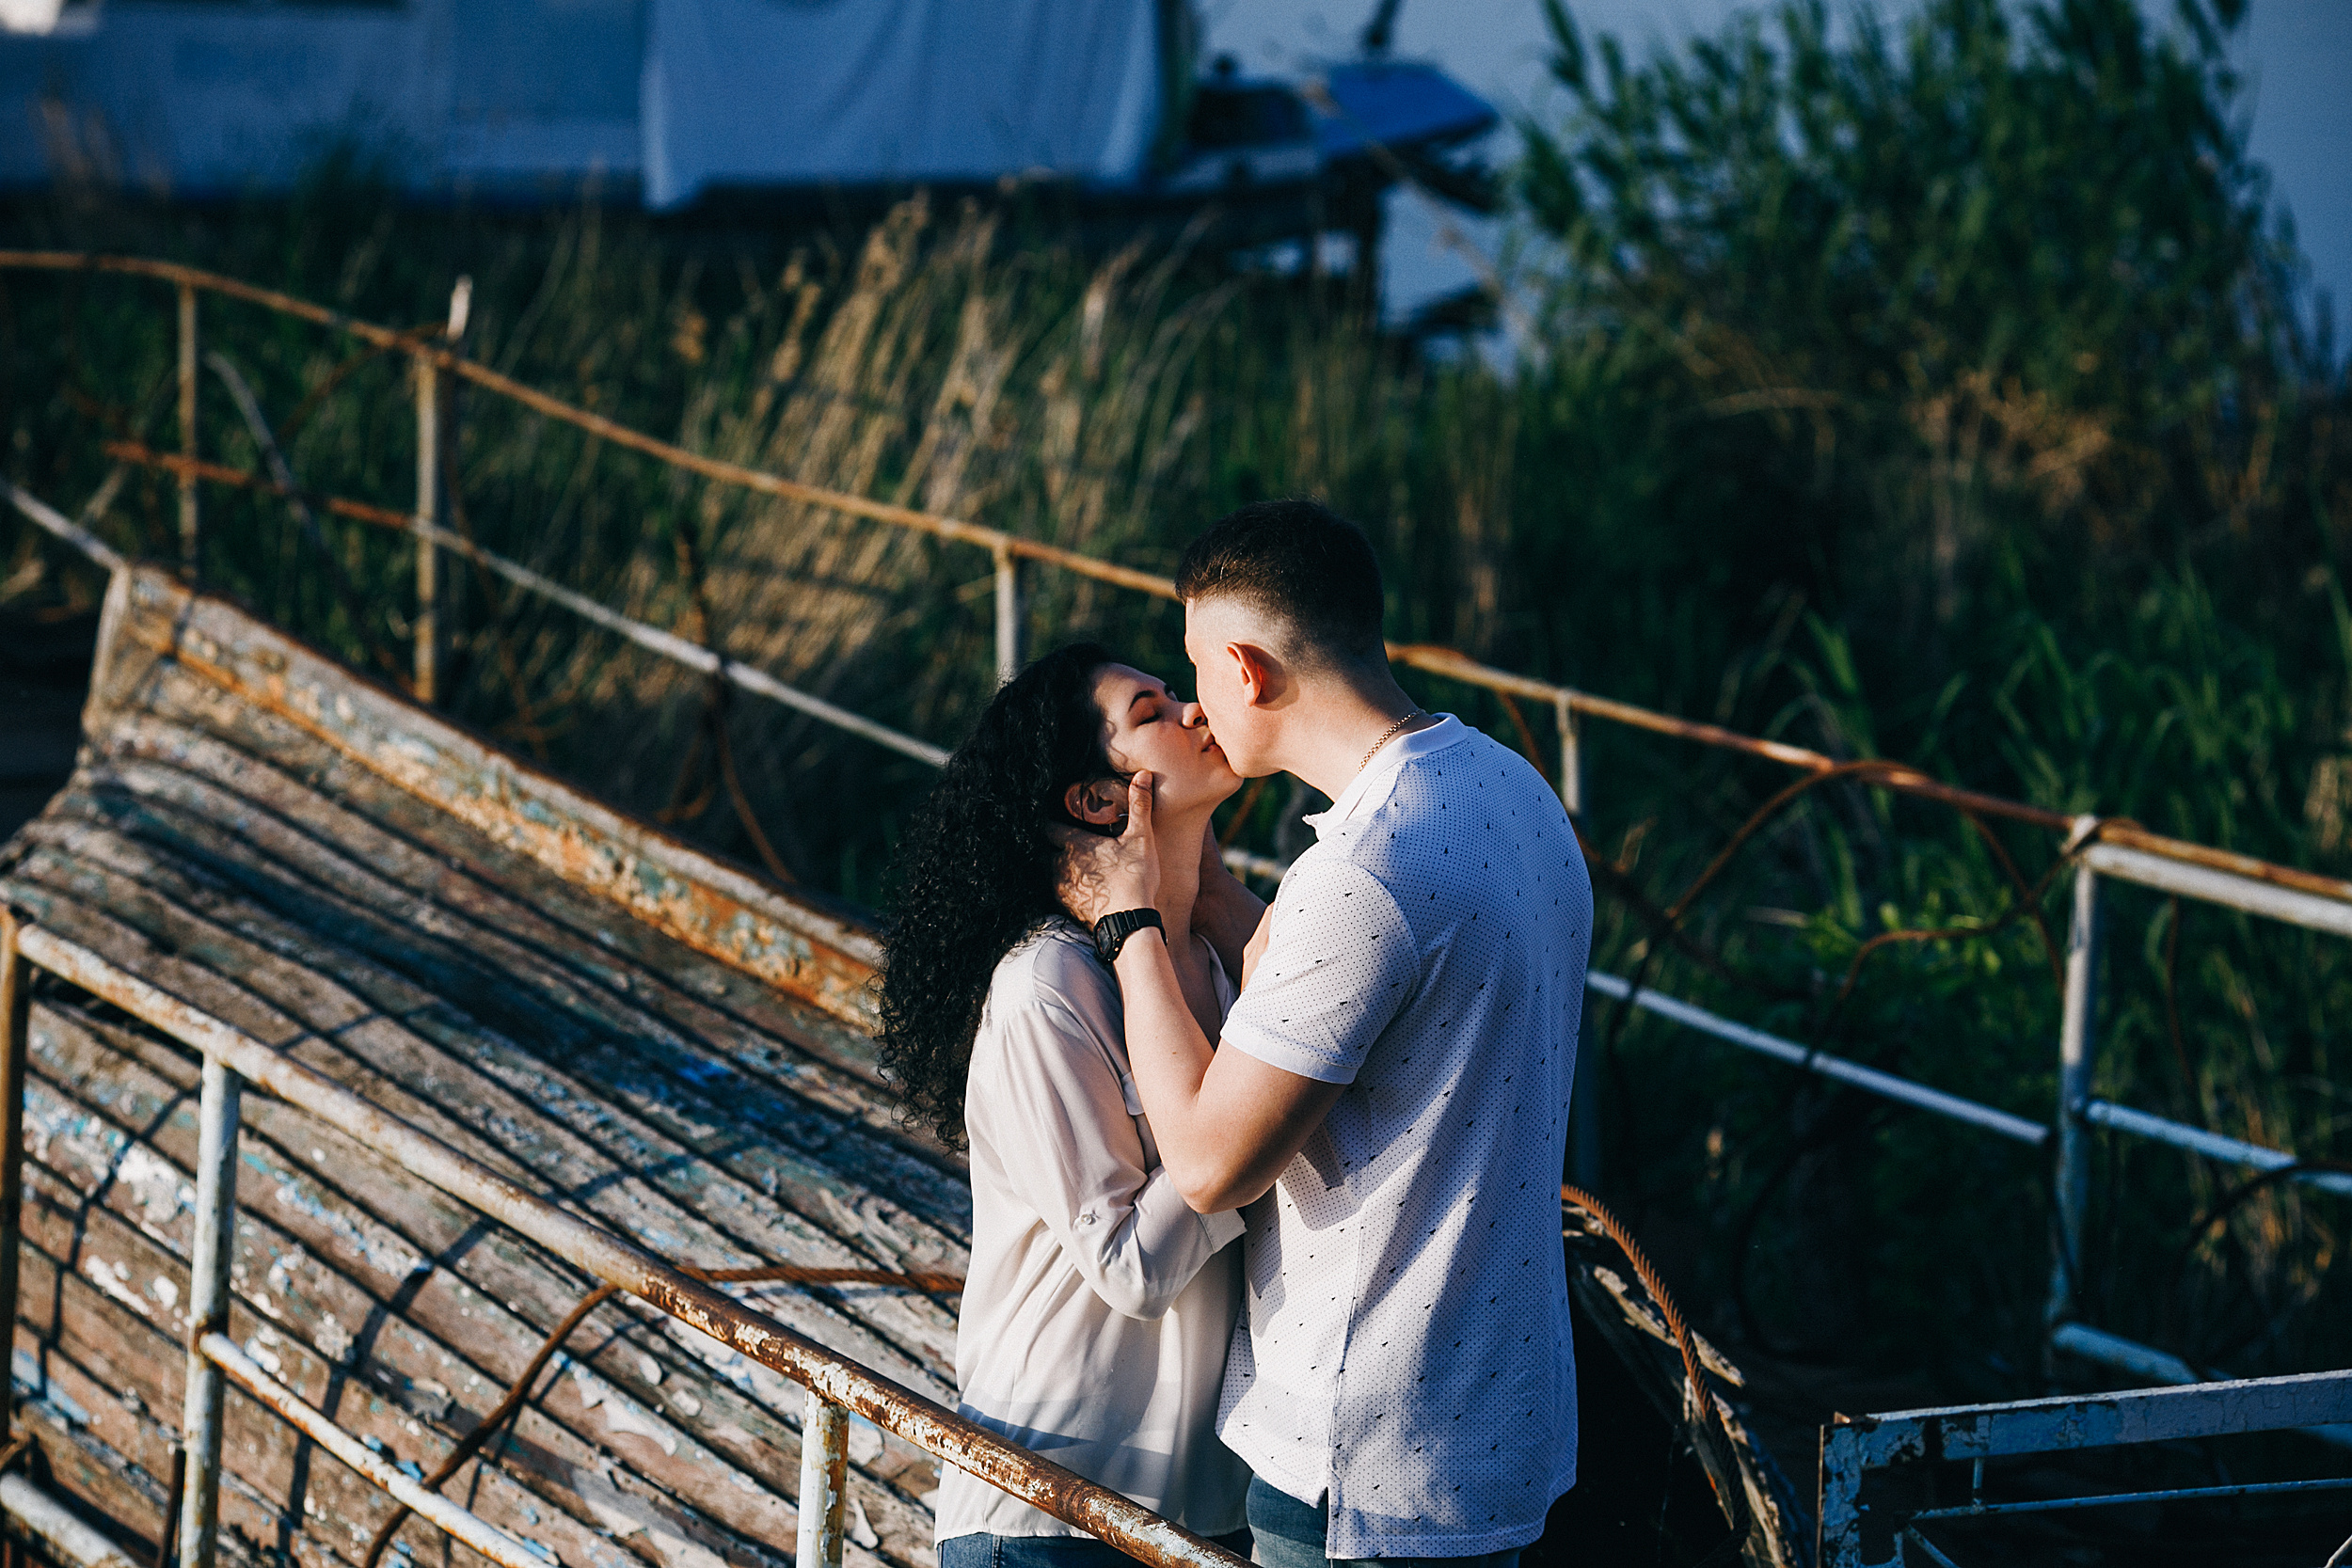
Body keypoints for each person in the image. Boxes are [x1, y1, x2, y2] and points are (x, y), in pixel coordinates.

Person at [1060, 499, 1594, 1568]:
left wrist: (1127, 928)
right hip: (1499, 1423)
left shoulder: (1359, 871)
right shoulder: (1510, 790)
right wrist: (1219, 908)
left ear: (1248, 669)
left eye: (1196, 670)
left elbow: (1211, 1163)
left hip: (1363, 1462)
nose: (1200, 706)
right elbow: (1391, 1008)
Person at [877, 641, 1264, 1568]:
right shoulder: (1049, 981)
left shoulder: (1212, 961)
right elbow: (1129, 1263)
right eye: (1150, 711)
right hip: (1051, 1507)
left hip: (1204, 1508)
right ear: (1097, 799)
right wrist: (1263, 1127)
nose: (1193, 710)